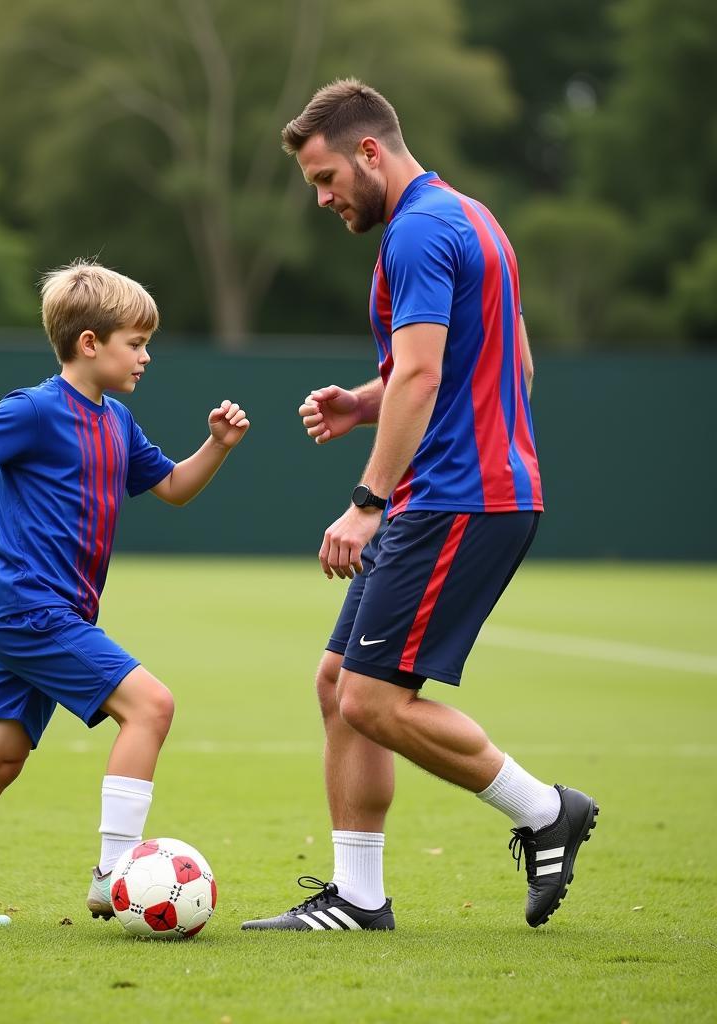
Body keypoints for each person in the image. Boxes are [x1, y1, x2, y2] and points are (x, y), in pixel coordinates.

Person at [241, 79, 597, 933]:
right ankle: (359, 899)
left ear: (370, 151)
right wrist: (366, 402)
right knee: (339, 685)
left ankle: (545, 809)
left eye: (325, 178)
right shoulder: (470, 217)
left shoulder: (417, 234)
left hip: (462, 496)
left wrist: (366, 501)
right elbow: (496, 364)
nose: (322, 198)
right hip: (466, 489)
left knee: (370, 699)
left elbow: (430, 375)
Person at [0, 260, 249, 926]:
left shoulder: (116, 421)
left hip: (39, 613)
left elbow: (172, 487)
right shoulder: (35, 410)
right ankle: (115, 871)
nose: (146, 357)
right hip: (29, 607)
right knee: (151, 706)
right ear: (90, 343)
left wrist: (218, 446)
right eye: (136, 343)